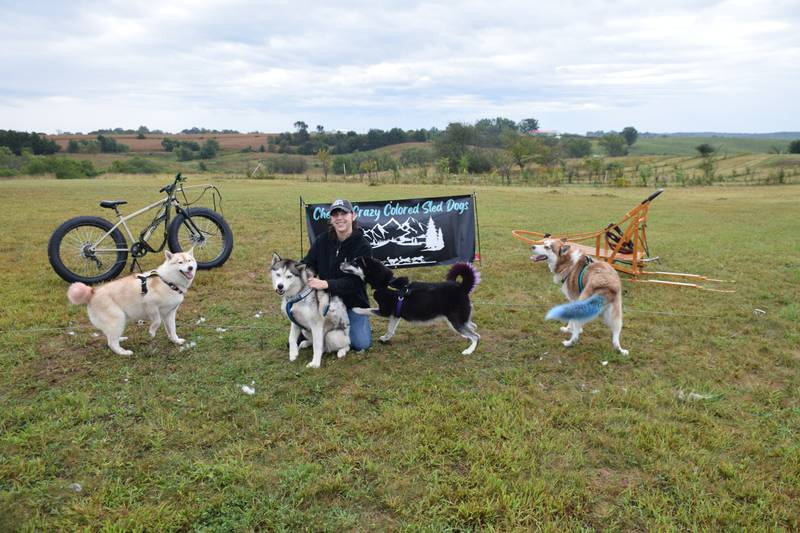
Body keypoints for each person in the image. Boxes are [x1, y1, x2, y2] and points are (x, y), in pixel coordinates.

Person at [302, 198, 372, 351]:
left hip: (354, 302)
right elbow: (309, 263)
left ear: (352, 216)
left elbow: (357, 282)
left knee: (361, 344)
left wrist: (326, 284)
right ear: (331, 219)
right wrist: (308, 273)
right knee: (305, 335)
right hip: (325, 301)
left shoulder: (363, 246)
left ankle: (352, 324)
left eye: (343, 213)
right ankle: (322, 329)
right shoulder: (322, 240)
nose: (339, 218)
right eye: (335, 214)